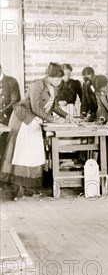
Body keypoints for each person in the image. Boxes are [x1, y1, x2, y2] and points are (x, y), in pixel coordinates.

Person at [0, 62, 69, 198]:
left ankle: (29, 186)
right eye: (59, 79)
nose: (60, 82)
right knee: (21, 153)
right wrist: (54, 120)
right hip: (23, 120)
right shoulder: (37, 84)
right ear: (52, 77)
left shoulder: (53, 87)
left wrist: (67, 116)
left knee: (34, 154)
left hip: (36, 121)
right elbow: (36, 108)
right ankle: (18, 188)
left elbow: (53, 106)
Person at [0, 65, 21, 160]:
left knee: (4, 149)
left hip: (7, 120)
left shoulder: (11, 82)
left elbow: (15, 101)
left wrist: (2, 111)